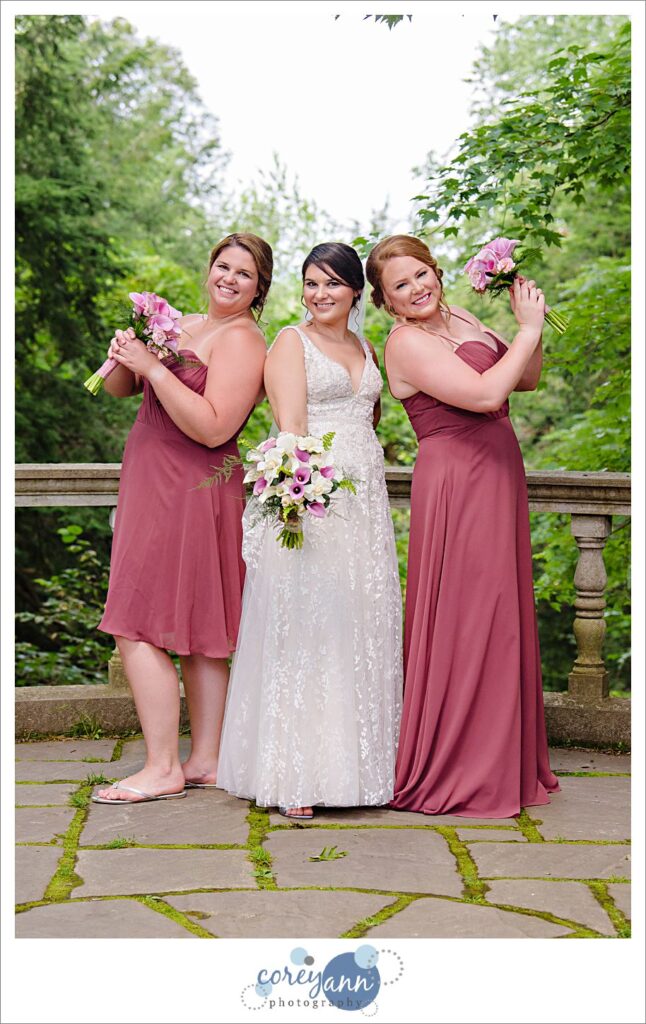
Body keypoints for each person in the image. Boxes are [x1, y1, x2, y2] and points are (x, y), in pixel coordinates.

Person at [365, 234, 560, 818]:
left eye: (421, 274)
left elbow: (526, 380)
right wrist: (524, 330)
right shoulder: (404, 343)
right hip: (457, 479)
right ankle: (459, 765)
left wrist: (533, 325)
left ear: (437, 272)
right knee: (469, 611)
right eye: (400, 285)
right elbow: (484, 393)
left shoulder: (465, 319)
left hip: (499, 473)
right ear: (386, 302)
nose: (416, 289)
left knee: (499, 609)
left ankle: (502, 758)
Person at [217, 242, 403, 818]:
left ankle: (365, 772)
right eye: (311, 283)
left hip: (365, 506)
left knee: (360, 624)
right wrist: (295, 503)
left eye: (332, 283)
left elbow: (369, 420)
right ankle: (294, 776)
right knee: (310, 627)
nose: (319, 294)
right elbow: (292, 428)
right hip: (313, 501)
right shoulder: (290, 343)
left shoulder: (365, 347)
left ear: (355, 292)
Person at [93, 233, 272, 803]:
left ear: (259, 288)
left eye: (244, 274)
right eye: (224, 266)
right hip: (151, 477)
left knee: (134, 620)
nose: (229, 279)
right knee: (196, 626)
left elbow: (216, 427)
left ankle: (162, 767)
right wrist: (126, 353)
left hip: (190, 486)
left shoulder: (244, 340)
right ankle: (208, 760)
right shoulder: (186, 324)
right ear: (209, 268)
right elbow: (120, 389)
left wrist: (156, 367)